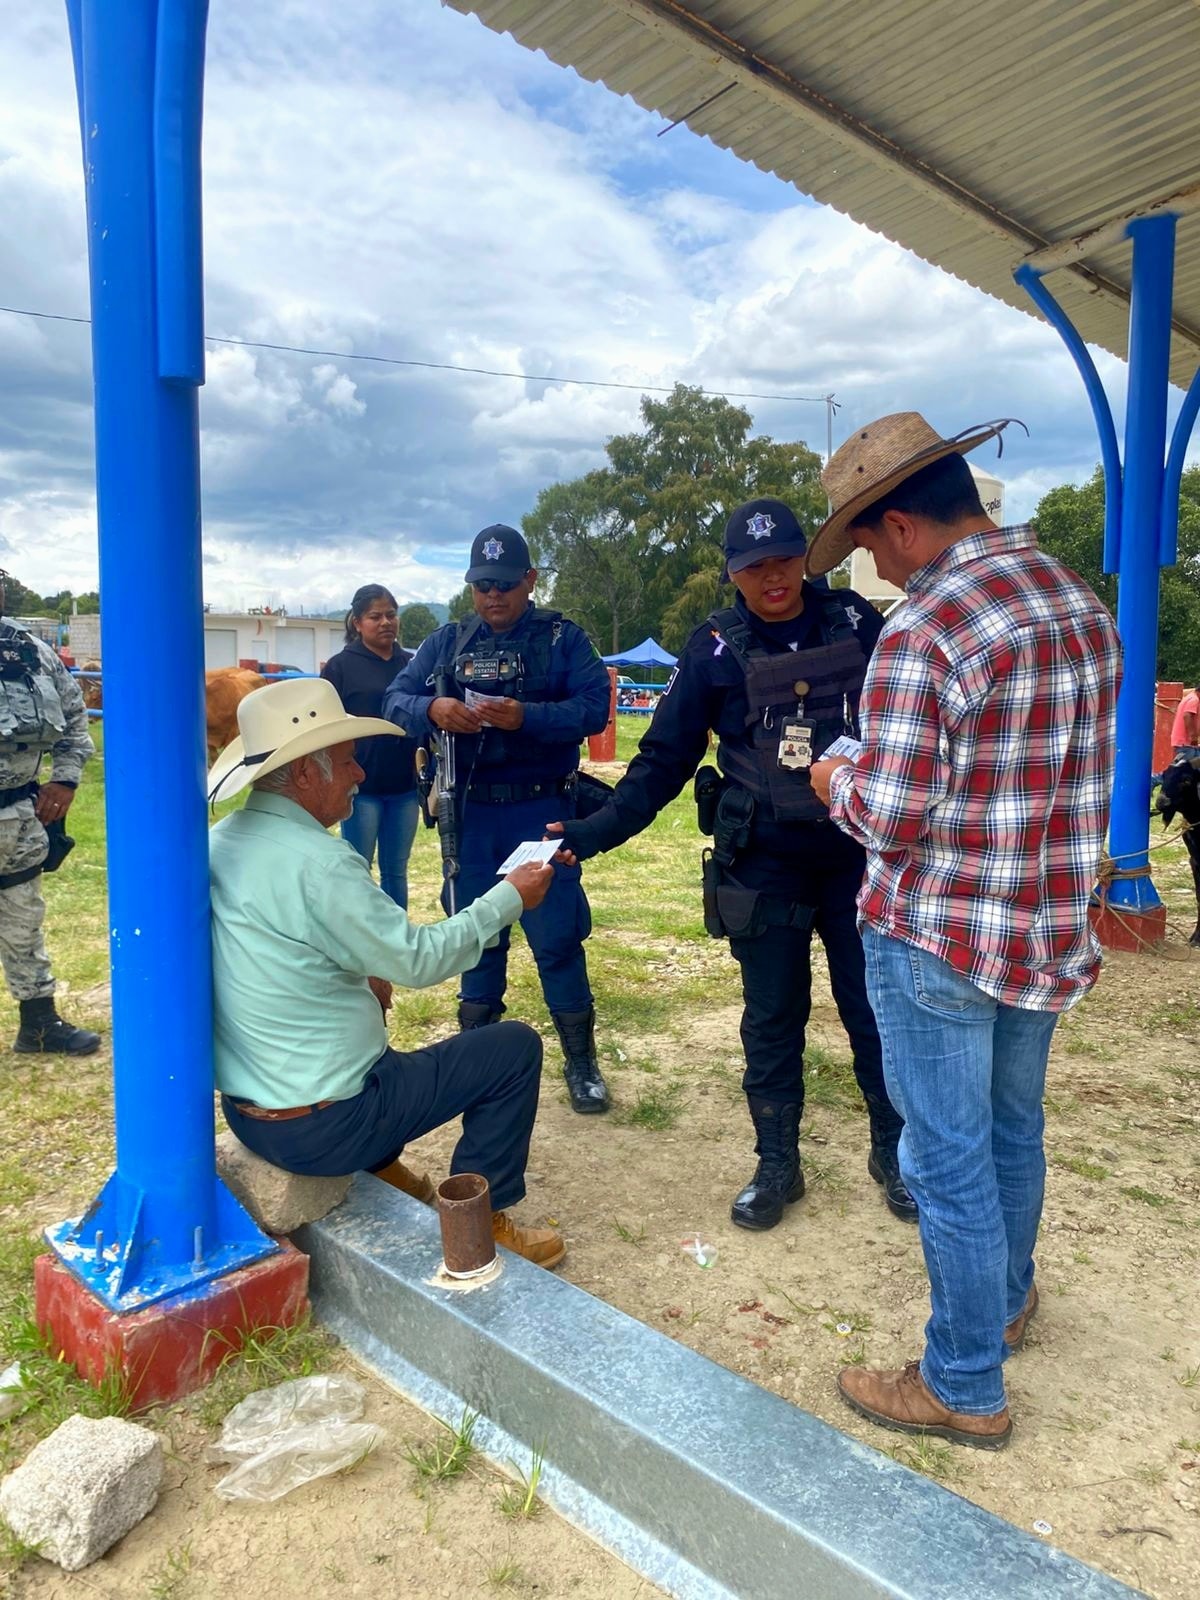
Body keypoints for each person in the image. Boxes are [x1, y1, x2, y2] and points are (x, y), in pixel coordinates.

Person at [807, 413, 1122, 1448]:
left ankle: (963, 1382)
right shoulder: (1076, 600)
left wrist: (833, 775)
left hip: (938, 933)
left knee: (947, 1161)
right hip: (1042, 923)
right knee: (1012, 1130)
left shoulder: (926, 627)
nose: (873, 567)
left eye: (867, 544)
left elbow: (891, 814)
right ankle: (1007, 1300)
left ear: (900, 525)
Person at [548, 499, 915, 1230]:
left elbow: (908, 722)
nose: (771, 577)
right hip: (765, 864)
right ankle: (778, 1164)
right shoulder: (714, 648)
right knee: (772, 1019)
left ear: (805, 558)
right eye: (753, 567)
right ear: (732, 573)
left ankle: (893, 1153)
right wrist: (593, 833)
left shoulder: (856, 623)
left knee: (876, 1014)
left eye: (783, 560)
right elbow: (664, 759)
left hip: (857, 858)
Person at [207, 677, 567, 1268]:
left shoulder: (222, 840)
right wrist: (509, 898)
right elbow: (420, 959)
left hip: (251, 1111)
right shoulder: (319, 863)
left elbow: (278, 951)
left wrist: (363, 971)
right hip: (327, 1124)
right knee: (511, 1049)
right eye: (348, 760)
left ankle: (385, 1168)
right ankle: (480, 1222)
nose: (360, 774)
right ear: (305, 773)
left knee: (379, 1043)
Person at [384, 526, 613, 1114]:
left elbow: (596, 709)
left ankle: (581, 1063)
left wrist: (526, 717)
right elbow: (394, 701)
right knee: (477, 940)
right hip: (472, 812)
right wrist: (433, 708)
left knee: (557, 938)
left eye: (505, 585)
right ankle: (473, 1064)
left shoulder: (562, 638)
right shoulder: (446, 642)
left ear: (529, 581)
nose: (493, 596)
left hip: (541, 812)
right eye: (482, 585)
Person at [0, 573, 99, 1055]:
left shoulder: (30, 650)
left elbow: (75, 717)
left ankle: (38, 1024)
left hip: (20, 813)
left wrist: (65, 778)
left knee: (24, 918)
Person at [320, 584, 418, 907]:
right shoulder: (339, 667)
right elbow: (327, 728)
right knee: (358, 870)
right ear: (357, 622)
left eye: (391, 614)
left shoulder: (411, 665)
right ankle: (359, 931)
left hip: (405, 788)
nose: (386, 622)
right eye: (375, 616)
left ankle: (397, 933)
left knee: (396, 872)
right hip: (360, 789)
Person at [1171, 684, 1199, 760]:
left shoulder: (1189, 698)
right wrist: (1193, 736)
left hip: (1186, 743)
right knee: (1188, 765)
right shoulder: (1194, 700)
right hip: (1187, 743)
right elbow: (1187, 715)